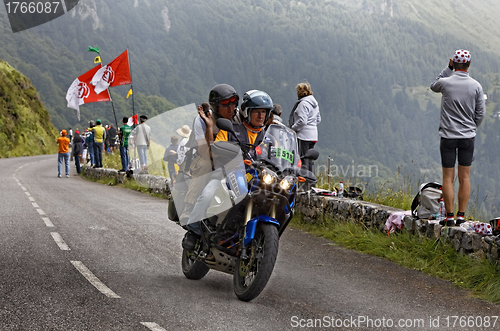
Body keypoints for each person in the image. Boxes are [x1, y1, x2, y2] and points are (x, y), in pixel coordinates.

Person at [181, 84, 242, 251]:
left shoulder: (237, 118)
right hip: (206, 158)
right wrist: (209, 127)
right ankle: (191, 213)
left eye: (233, 103)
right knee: (207, 163)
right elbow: (205, 151)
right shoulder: (201, 121)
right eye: (226, 104)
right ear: (216, 106)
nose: (231, 108)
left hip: (232, 163)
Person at [430, 49, 485, 226]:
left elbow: (433, 85)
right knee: (465, 177)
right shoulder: (476, 86)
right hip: (467, 137)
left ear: (454, 63)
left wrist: (448, 68)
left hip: (447, 136)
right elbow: (480, 113)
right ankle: (461, 216)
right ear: (469, 64)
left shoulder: (445, 83)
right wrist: (471, 128)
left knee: (448, 177)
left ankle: (449, 217)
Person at [288, 82, 321, 173]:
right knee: (310, 159)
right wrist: (312, 125)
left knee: (303, 158)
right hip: (313, 135)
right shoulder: (314, 104)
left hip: (303, 135)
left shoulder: (303, 104)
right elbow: (318, 119)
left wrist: (293, 129)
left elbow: (302, 121)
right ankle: (311, 176)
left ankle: (304, 178)